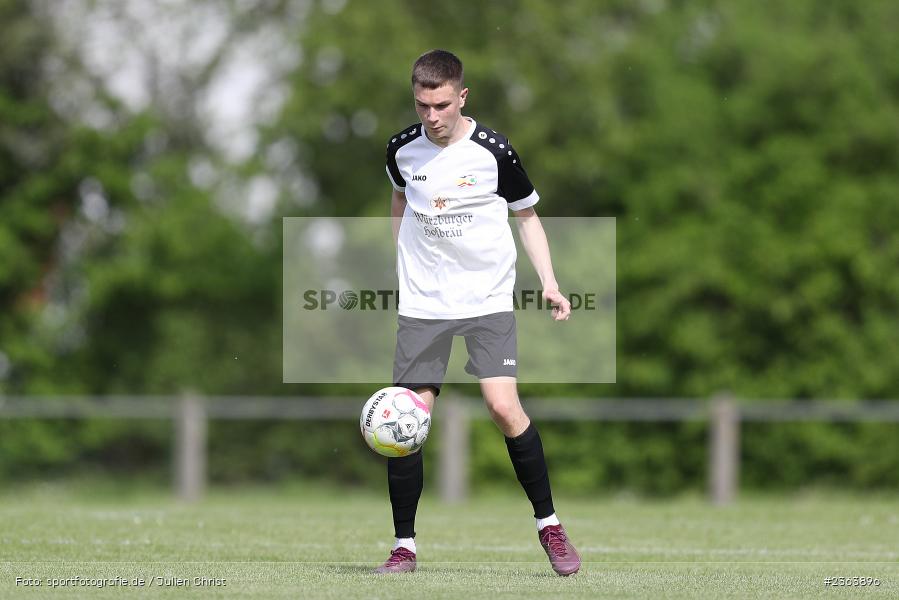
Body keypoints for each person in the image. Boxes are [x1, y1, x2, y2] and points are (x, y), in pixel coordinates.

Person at [377, 49, 580, 577]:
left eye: (442, 105)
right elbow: (399, 202)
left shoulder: (494, 151)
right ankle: (404, 548)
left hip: (486, 298)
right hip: (425, 303)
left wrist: (550, 283)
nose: (432, 116)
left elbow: (527, 216)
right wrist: (399, 265)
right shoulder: (401, 149)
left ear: (462, 96)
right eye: (422, 106)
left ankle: (550, 526)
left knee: (503, 408)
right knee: (407, 421)